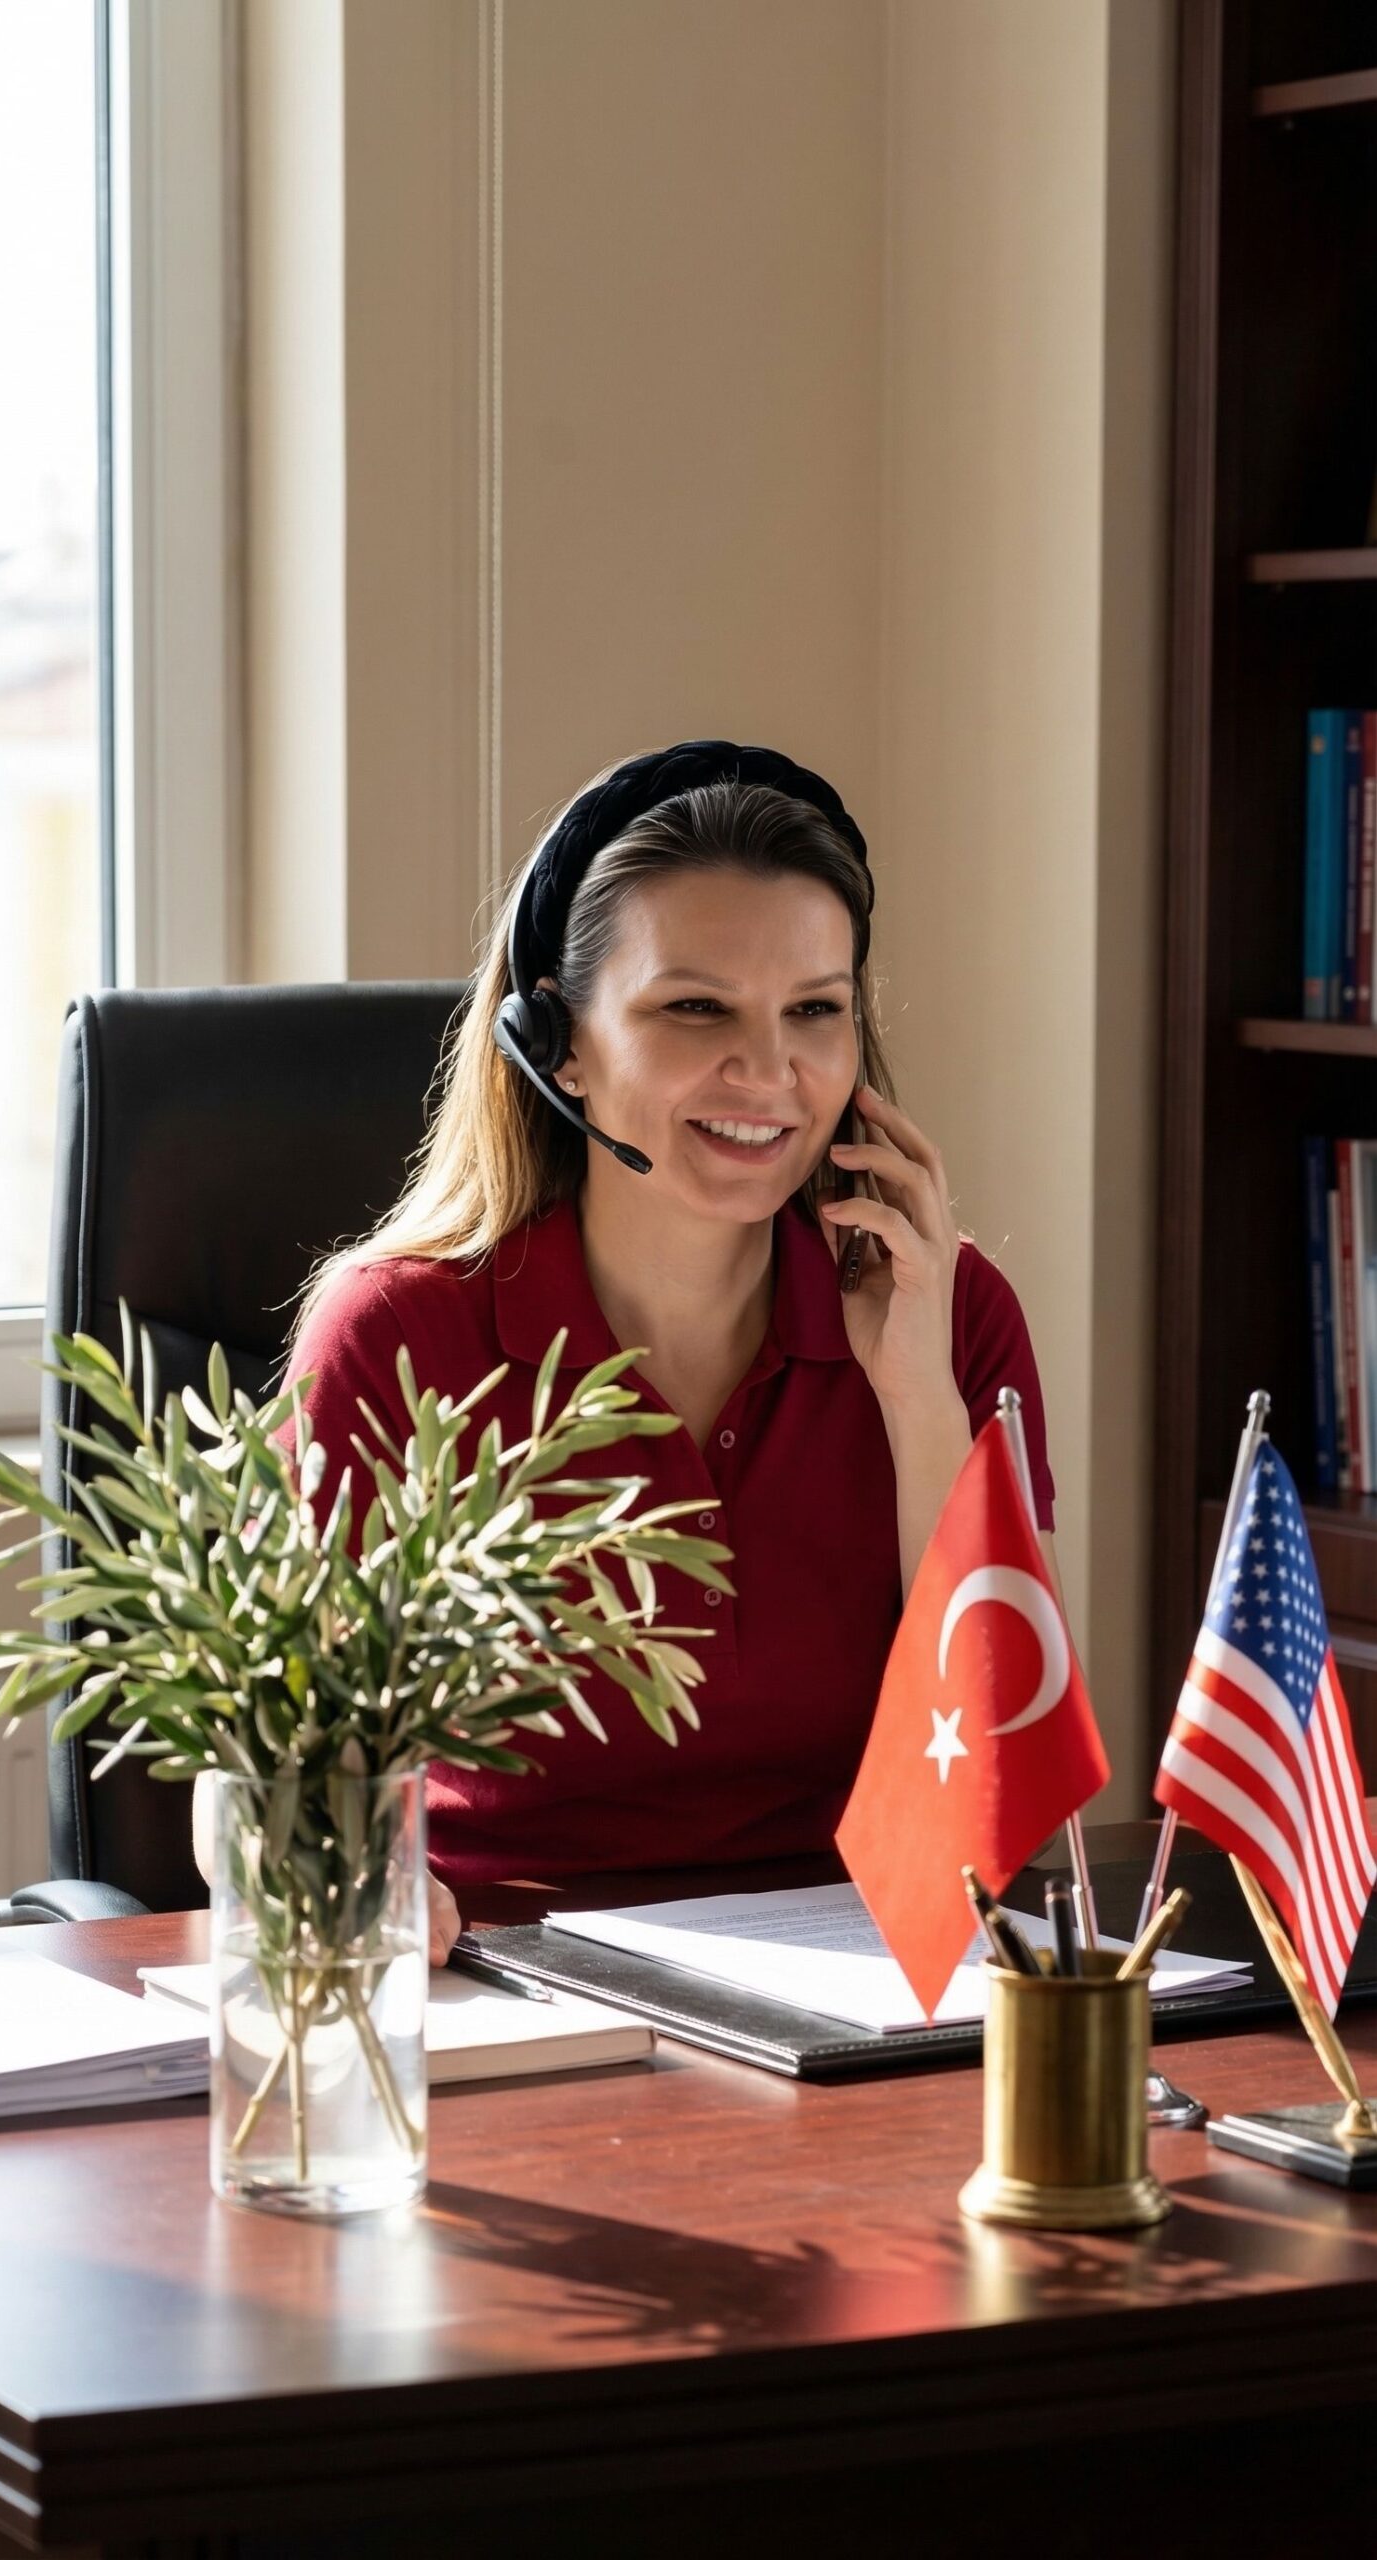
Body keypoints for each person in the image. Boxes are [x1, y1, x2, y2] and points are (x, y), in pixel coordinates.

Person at [192, 741, 1058, 1964]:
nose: (768, 1072)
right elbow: (268, 1788)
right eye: (694, 1008)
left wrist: (916, 1397)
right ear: (558, 1043)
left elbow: (1005, 1789)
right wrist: (351, 1885)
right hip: (510, 1987)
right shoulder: (399, 1335)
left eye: (815, 1010)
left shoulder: (949, 1310)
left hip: (869, 1986)